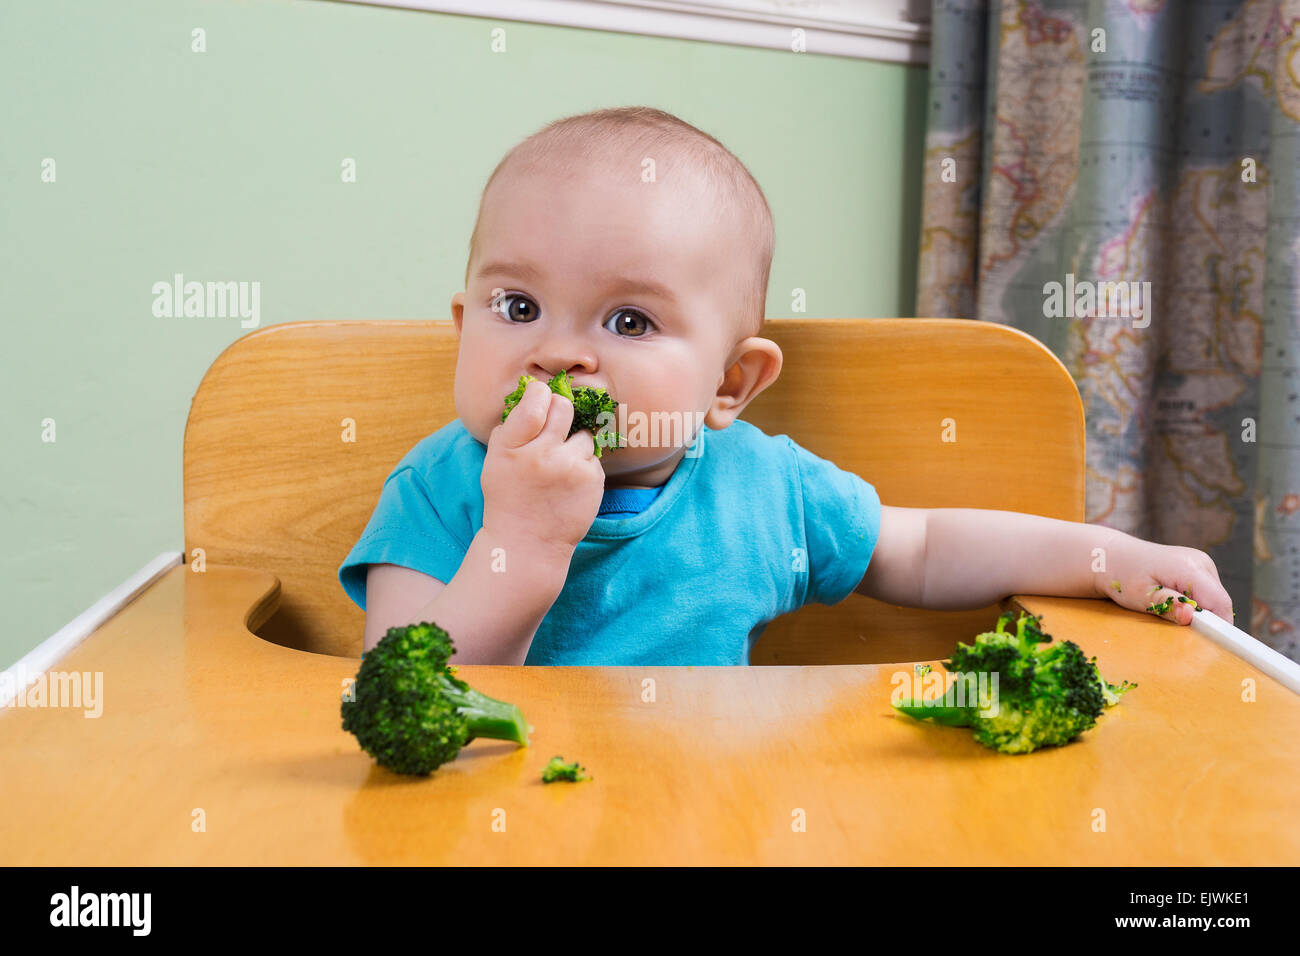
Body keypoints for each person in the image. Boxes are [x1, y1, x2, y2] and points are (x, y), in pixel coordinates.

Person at [339, 106, 1231, 664]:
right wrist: (522, 545)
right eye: (519, 304)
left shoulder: (762, 489)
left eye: (629, 322)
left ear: (729, 384)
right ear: (464, 330)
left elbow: (919, 551)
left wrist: (1104, 557)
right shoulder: (441, 488)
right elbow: (405, 704)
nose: (558, 355)